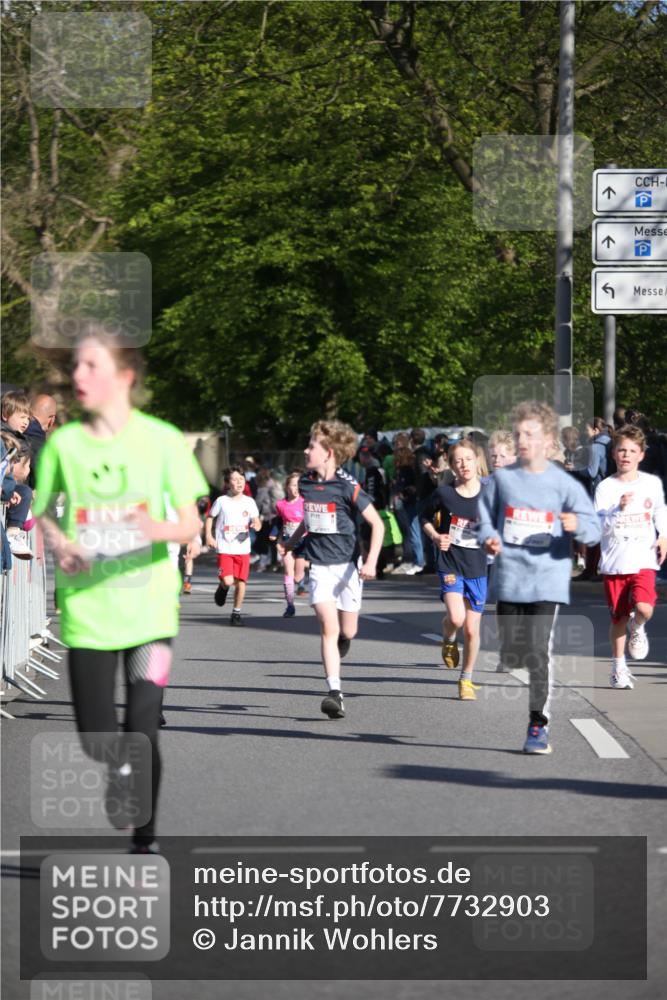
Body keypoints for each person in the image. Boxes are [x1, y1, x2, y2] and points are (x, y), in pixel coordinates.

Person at [34, 324, 207, 853]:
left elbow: (190, 524)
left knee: (144, 726)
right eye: (76, 366)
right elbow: (43, 511)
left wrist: (153, 528)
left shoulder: (163, 441)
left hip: (152, 616)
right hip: (88, 614)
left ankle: (144, 836)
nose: (78, 375)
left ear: (125, 376)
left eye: (92, 365)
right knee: (96, 736)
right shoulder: (64, 445)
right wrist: (61, 542)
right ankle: (118, 767)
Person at [477, 401, 600, 754]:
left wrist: (578, 526)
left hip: (548, 580)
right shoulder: (503, 480)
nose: (522, 441)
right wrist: (490, 537)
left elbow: (593, 529)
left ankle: (538, 724)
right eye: (518, 435)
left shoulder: (564, 484)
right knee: (514, 652)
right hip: (511, 579)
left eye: (529, 434)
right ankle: (513, 654)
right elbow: (484, 518)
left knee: (537, 650)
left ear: (547, 439)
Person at [279, 420, 384, 719]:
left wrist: (372, 562)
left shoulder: (347, 485)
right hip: (320, 567)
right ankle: (334, 693)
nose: (305, 450)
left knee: (347, 630)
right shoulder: (305, 483)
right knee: (328, 627)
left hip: (348, 566)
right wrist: (291, 543)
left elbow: (377, 524)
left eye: (311, 446)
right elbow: (309, 519)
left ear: (328, 453)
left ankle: (344, 640)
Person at [594, 425, 667, 689]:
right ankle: (618, 668)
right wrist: (618, 509)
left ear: (641, 455)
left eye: (632, 451)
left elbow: (660, 511)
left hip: (643, 559)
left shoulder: (651, 484)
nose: (626, 455)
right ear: (614, 453)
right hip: (615, 563)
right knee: (619, 619)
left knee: (644, 608)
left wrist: (663, 535)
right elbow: (598, 527)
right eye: (622, 450)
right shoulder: (605, 488)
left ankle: (638, 626)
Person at [421, 439, 488, 701]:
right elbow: (424, 517)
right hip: (450, 562)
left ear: (477, 461)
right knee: (457, 618)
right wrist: (436, 536)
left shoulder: (490, 494)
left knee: (471, 629)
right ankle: (448, 637)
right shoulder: (445, 494)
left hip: (478, 566)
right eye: (458, 461)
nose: (464, 465)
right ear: (451, 466)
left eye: (468, 459)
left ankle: (466, 679)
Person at [205, 466, 261, 626]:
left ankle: (236, 613)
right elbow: (210, 517)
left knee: (241, 582)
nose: (239, 482)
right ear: (228, 483)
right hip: (225, 547)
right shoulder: (221, 501)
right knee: (229, 581)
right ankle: (223, 587)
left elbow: (256, 520)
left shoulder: (249, 502)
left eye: (241, 479)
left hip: (243, 548)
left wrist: (257, 524)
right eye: (235, 480)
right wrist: (209, 535)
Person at [272, 470, 306, 618]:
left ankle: (301, 580)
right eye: (293, 485)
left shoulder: (305, 502)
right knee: (288, 571)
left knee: (298, 576)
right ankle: (290, 605)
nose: (296, 488)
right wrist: (275, 535)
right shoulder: (281, 505)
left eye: (298, 485)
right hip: (287, 542)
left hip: (302, 542)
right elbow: (279, 522)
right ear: (287, 487)